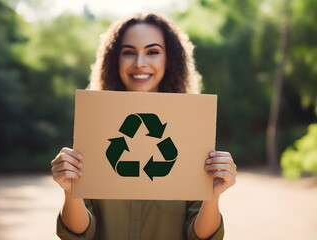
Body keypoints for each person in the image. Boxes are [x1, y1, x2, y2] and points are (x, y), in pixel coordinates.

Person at [51, 13, 237, 240]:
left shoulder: (191, 128)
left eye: (153, 51)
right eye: (128, 52)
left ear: (169, 59)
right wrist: (71, 192)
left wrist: (213, 196)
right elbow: (79, 234)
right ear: (114, 60)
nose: (140, 62)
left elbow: (199, 236)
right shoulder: (94, 124)